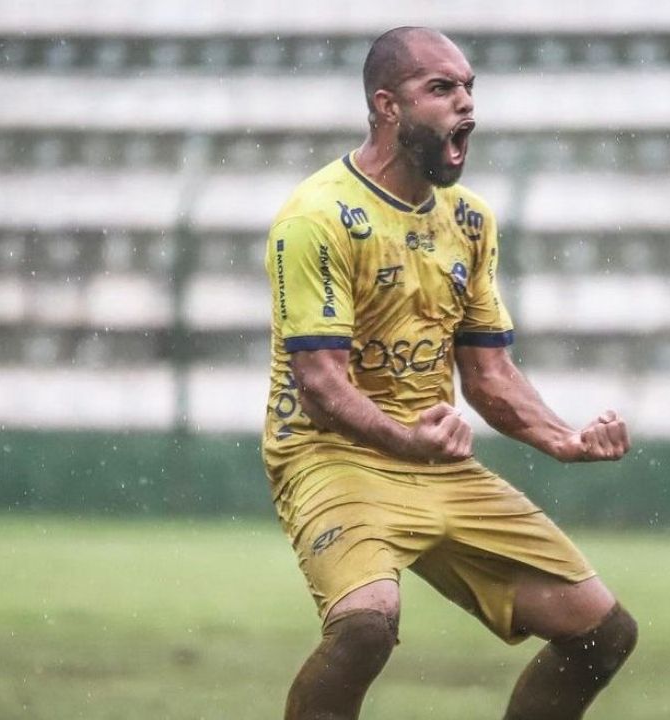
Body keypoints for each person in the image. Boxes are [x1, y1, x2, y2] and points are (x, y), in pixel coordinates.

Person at [262, 26, 637, 720]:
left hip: (435, 460)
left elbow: (488, 374)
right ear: (386, 107)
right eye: (441, 88)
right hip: (331, 454)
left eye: (469, 89)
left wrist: (561, 438)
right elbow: (319, 383)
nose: (465, 105)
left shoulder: (469, 220)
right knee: (365, 628)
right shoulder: (315, 217)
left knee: (602, 635)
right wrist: (409, 441)